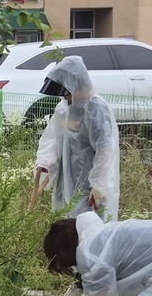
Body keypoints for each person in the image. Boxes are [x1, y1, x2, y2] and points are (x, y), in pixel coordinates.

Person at [33, 55, 120, 221]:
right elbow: (53, 139)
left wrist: (99, 185)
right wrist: (46, 161)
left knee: (88, 228)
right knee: (66, 226)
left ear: (76, 83)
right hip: (65, 180)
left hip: (88, 186)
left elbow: (105, 149)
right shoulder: (63, 108)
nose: (63, 96)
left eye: (65, 91)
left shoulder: (96, 109)